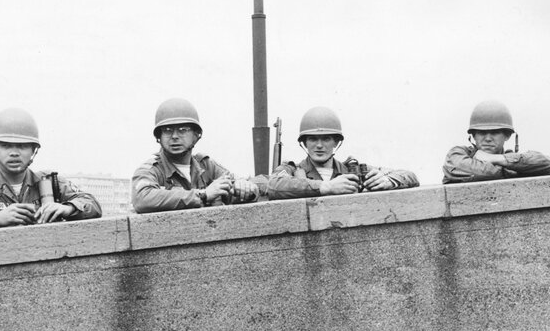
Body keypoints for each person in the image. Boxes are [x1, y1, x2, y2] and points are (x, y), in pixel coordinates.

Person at [0, 108, 102, 232]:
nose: (14, 152)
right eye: (6, 145)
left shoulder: (50, 182)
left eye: (22, 146)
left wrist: (68, 209)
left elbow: (92, 204)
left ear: (33, 150)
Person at [132, 98, 261, 213]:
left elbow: (236, 188)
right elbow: (142, 198)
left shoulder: (206, 166)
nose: (174, 136)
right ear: (159, 137)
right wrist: (203, 195)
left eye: (183, 130)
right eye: (167, 130)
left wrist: (245, 188)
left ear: (196, 135)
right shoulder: (152, 170)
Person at [268, 106, 419, 200]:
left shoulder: (352, 170)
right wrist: (326, 187)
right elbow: (273, 185)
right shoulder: (292, 170)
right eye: (313, 139)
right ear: (305, 143)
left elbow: (410, 176)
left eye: (326, 139)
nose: (319, 145)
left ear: (336, 142)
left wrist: (388, 181)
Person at [442, 100, 550, 184]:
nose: (488, 138)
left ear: (507, 135)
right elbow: (457, 166)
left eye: (494, 132)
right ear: (473, 135)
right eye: (482, 133)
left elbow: (546, 163)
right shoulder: (460, 154)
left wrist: (496, 159)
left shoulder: (511, 158)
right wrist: (514, 170)